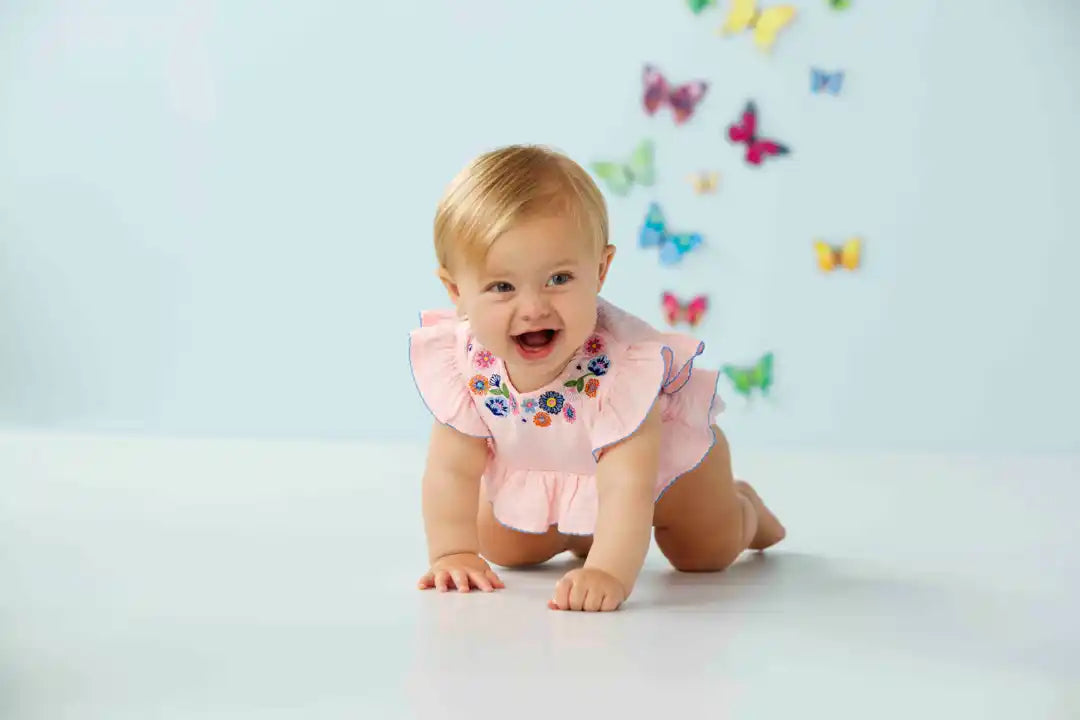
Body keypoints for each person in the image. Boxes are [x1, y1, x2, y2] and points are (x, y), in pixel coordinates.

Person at [409, 144, 785, 612]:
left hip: (668, 480)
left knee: (704, 552)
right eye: (502, 287)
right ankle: (581, 532)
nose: (533, 308)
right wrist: (453, 552)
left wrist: (608, 571)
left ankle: (748, 511)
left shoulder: (620, 371)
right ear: (456, 291)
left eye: (559, 279)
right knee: (500, 544)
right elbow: (451, 469)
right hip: (553, 475)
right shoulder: (465, 364)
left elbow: (627, 486)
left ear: (601, 270)